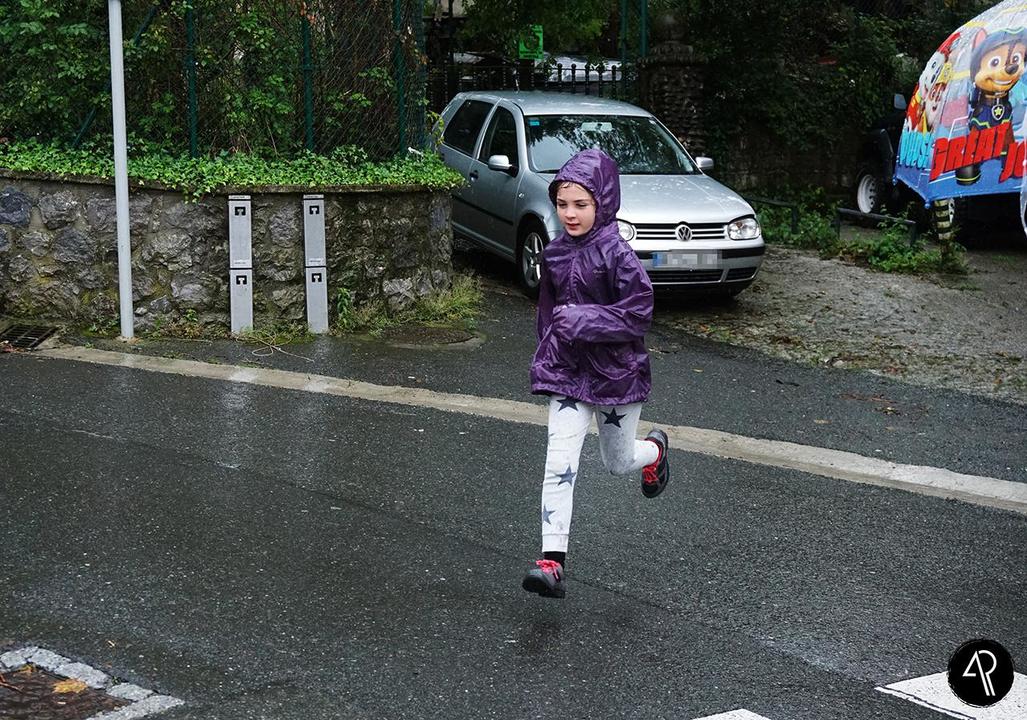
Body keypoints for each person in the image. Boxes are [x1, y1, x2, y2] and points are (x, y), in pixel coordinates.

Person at [521, 148, 670, 600]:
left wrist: (584, 320)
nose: (570, 214)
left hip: (616, 376)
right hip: (567, 375)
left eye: (581, 204)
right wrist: (548, 354)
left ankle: (655, 452)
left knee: (617, 462)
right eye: (562, 204)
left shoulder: (618, 255)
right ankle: (552, 563)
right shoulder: (554, 254)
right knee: (558, 463)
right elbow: (548, 315)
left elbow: (639, 313)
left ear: (602, 202)